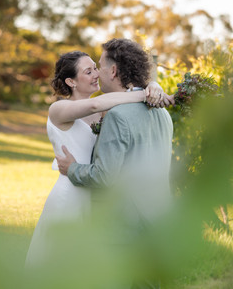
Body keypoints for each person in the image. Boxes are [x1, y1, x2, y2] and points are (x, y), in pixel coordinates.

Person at [24, 49, 170, 270]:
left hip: (94, 193)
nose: (96, 75)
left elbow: (111, 104)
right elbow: (93, 105)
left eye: (95, 68)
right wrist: (144, 94)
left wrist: (153, 86)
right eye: (88, 71)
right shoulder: (59, 109)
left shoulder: (106, 109)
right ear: (71, 81)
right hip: (71, 194)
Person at [56, 38, 174, 288]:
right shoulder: (163, 113)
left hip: (123, 229)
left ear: (114, 70)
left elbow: (103, 176)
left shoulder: (118, 115)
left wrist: (72, 168)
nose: (97, 72)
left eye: (100, 66)